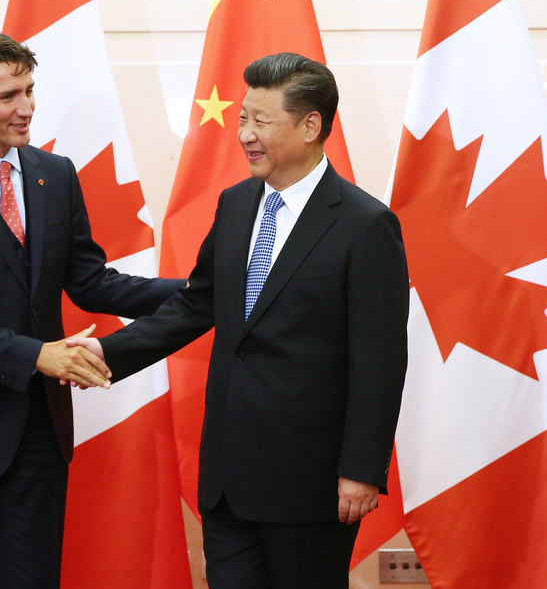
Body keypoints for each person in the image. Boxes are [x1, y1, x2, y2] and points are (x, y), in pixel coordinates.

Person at [70, 52, 409, 588]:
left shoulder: (365, 225)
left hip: (310, 477)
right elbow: (197, 303)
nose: (245, 134)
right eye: (242, 118)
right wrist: (108, 354)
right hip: (228, 476)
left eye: (260, 120)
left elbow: (381, 359)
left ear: (310, 125)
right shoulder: (235, 204)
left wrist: (362, 468)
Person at [0, 29, 183, 589]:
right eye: (8, 96)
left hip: (38, 430)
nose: (26, 108)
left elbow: (92, 283)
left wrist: (198, 293)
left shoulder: (57, 176)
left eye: (29, 90)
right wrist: (37, 356)